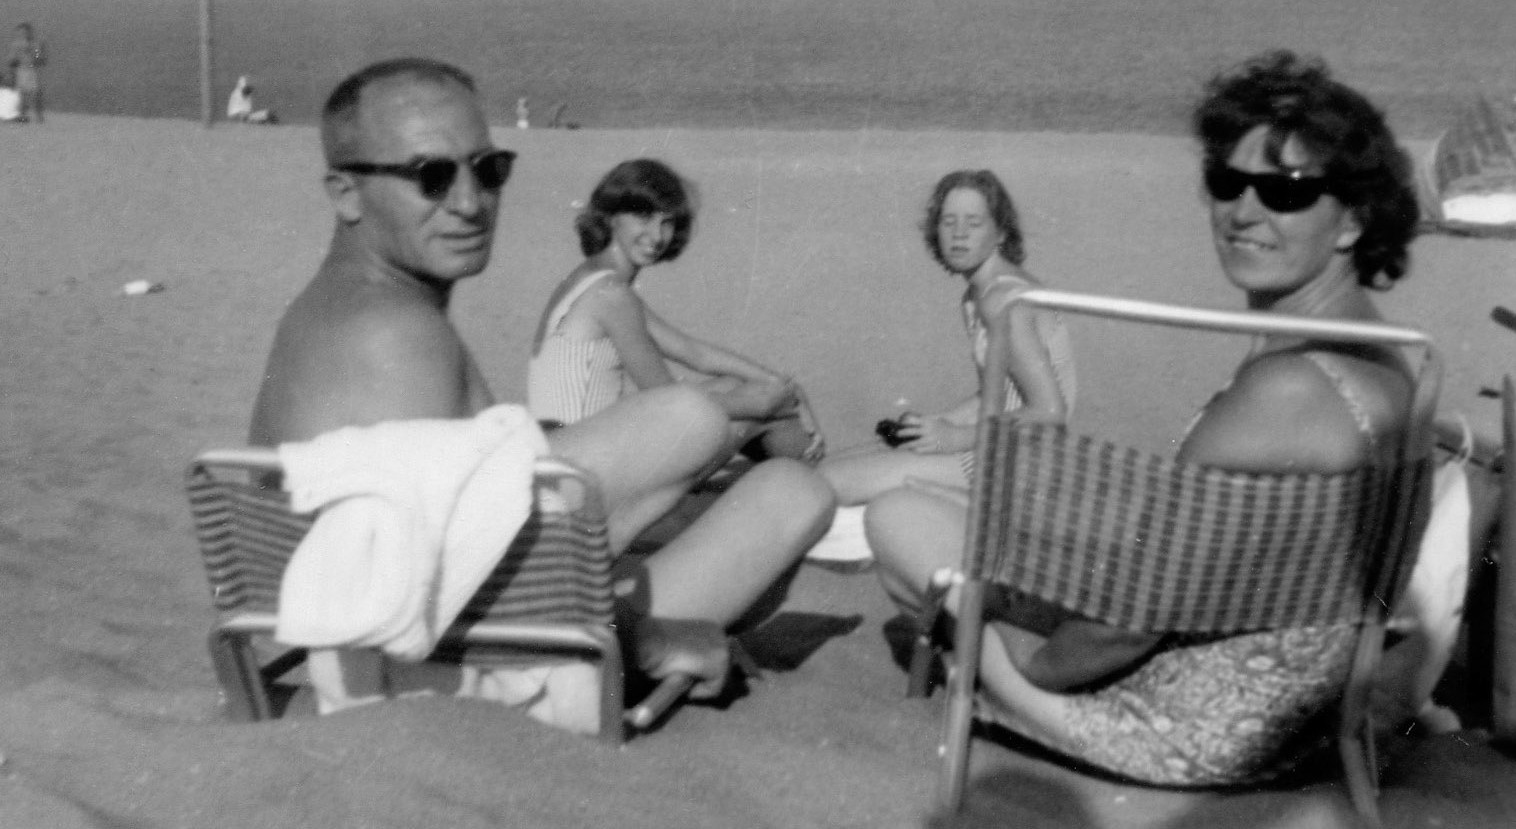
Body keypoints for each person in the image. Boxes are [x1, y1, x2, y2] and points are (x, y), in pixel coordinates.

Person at [868, 51, 1421, 787]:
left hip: (1185, 724)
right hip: (1303, 712)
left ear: (1351, 219)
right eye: (1228, 181)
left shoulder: (1285, 390)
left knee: (899, 521)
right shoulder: (1390, 360)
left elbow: (1123, 624)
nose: (1243, 212)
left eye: (1284, 192)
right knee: (972, 527)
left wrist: (1022, 668)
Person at [250, 59, 832, 712]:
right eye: (431, 177)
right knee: (759, 473)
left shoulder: (348, 310)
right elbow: (403, 602)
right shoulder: (395, 340)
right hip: (484, 656)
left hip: (486, 605)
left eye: (488, 169)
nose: (470, 203)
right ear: (345, 193)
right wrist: (646, 643)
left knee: (777, 480)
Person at [528, 157, 823, 464]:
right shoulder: (611, 295)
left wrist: (786, 387)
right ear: (610, 216)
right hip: (585, 470)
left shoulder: (592, 280)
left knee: (747, 390)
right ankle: (811, 482)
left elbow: (693, 352)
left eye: (666, 222)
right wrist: (763, 406)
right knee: (757, 410)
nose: (657, 236)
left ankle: (793, 477)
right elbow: (666, 400)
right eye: (643, 217)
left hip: (570, 452)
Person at [818, 169, 1076, 519]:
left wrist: (956, 438)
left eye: (973, 223)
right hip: (1001, 447)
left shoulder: (1004, 301)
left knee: (826, 484)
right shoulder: (976, 295)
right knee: (831, 467)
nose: (958, 234)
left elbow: (1050, 412)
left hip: (1019, 465)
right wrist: (938, 423)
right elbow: (996, 394)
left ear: (1000, 232)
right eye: (948, 222)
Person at [8, 23, 46, 122]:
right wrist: (13, 70)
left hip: (32, 71)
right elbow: (12, 60)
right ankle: (22, 115)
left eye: (27, 32)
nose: (25, 34)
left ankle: (39, 115)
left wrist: (39, 51)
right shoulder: (15, 45)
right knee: (22, 94)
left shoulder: (35, 45)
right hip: (20, 71)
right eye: (22, 32)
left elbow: (39, 59)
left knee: (36, 93)